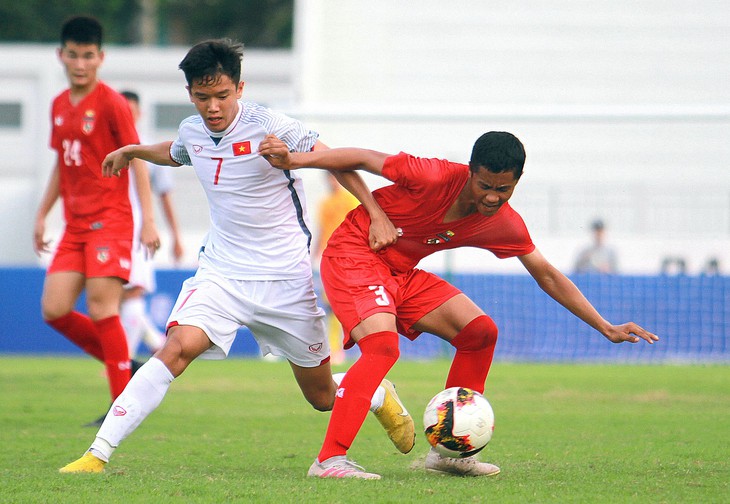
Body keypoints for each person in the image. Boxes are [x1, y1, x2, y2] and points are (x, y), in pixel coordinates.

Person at [59, 39, 414, 474]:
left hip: (285, 279)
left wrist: (375, 212)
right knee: (175, 348)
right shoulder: (193, 130)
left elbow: (334, 160)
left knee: (322, 398)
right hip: (222, 275)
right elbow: (177, 153)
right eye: (203, 97)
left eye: (222, 96)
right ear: (190, 93)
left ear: (240, 89)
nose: (213, 106)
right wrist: (134, 150)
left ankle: (376, 394)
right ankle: (96, 454)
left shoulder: (271, 125)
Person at [258, 131, 660, 479]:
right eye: (484, 185)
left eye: (503, 189)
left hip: (400, 272)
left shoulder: (504, 222)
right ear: (470, 171)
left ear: (517, 182)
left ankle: (449, 454)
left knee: (480, 332)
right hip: (355, 255)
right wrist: (296, 160)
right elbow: (362, 158)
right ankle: (329, 459)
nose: (492, 196)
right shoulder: (431, 174)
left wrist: (604, 326)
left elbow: (547, 274)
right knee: (382, 347)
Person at [33, 16, 160, 425]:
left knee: (103, 308)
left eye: (88, 56)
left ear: (100, 58)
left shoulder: (112, 103)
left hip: (111, 220)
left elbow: (136, 157)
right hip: (74, 225)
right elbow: (63, 163)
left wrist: (150, 220)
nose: (80, 63)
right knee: (54, 309)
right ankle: (126, 365)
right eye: (73, 55)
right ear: (61, 56)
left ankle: (119, 409)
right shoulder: (57, 105)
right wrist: (42, 213)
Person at [119, 90, 184, 359]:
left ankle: (125, 360)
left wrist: (176, 236)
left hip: (137, 229)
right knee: (116, 298)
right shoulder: (106, 147)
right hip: (109, 227)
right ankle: (155, 340)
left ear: (140, 113)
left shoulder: (148, 151)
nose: (128, 116)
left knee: (132, 293)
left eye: (132, 111)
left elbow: (164, 196)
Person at [314, 172, 360, 364]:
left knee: (349, 306)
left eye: (334, 178)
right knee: (331, 306)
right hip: (328, 258)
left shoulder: (350, 200)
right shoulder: (325, 204)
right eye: (329, 178)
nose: (332, 182)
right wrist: (315, 253)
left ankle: (352, 347)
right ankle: (335, 350)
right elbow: (322, 230)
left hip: (348, 258)